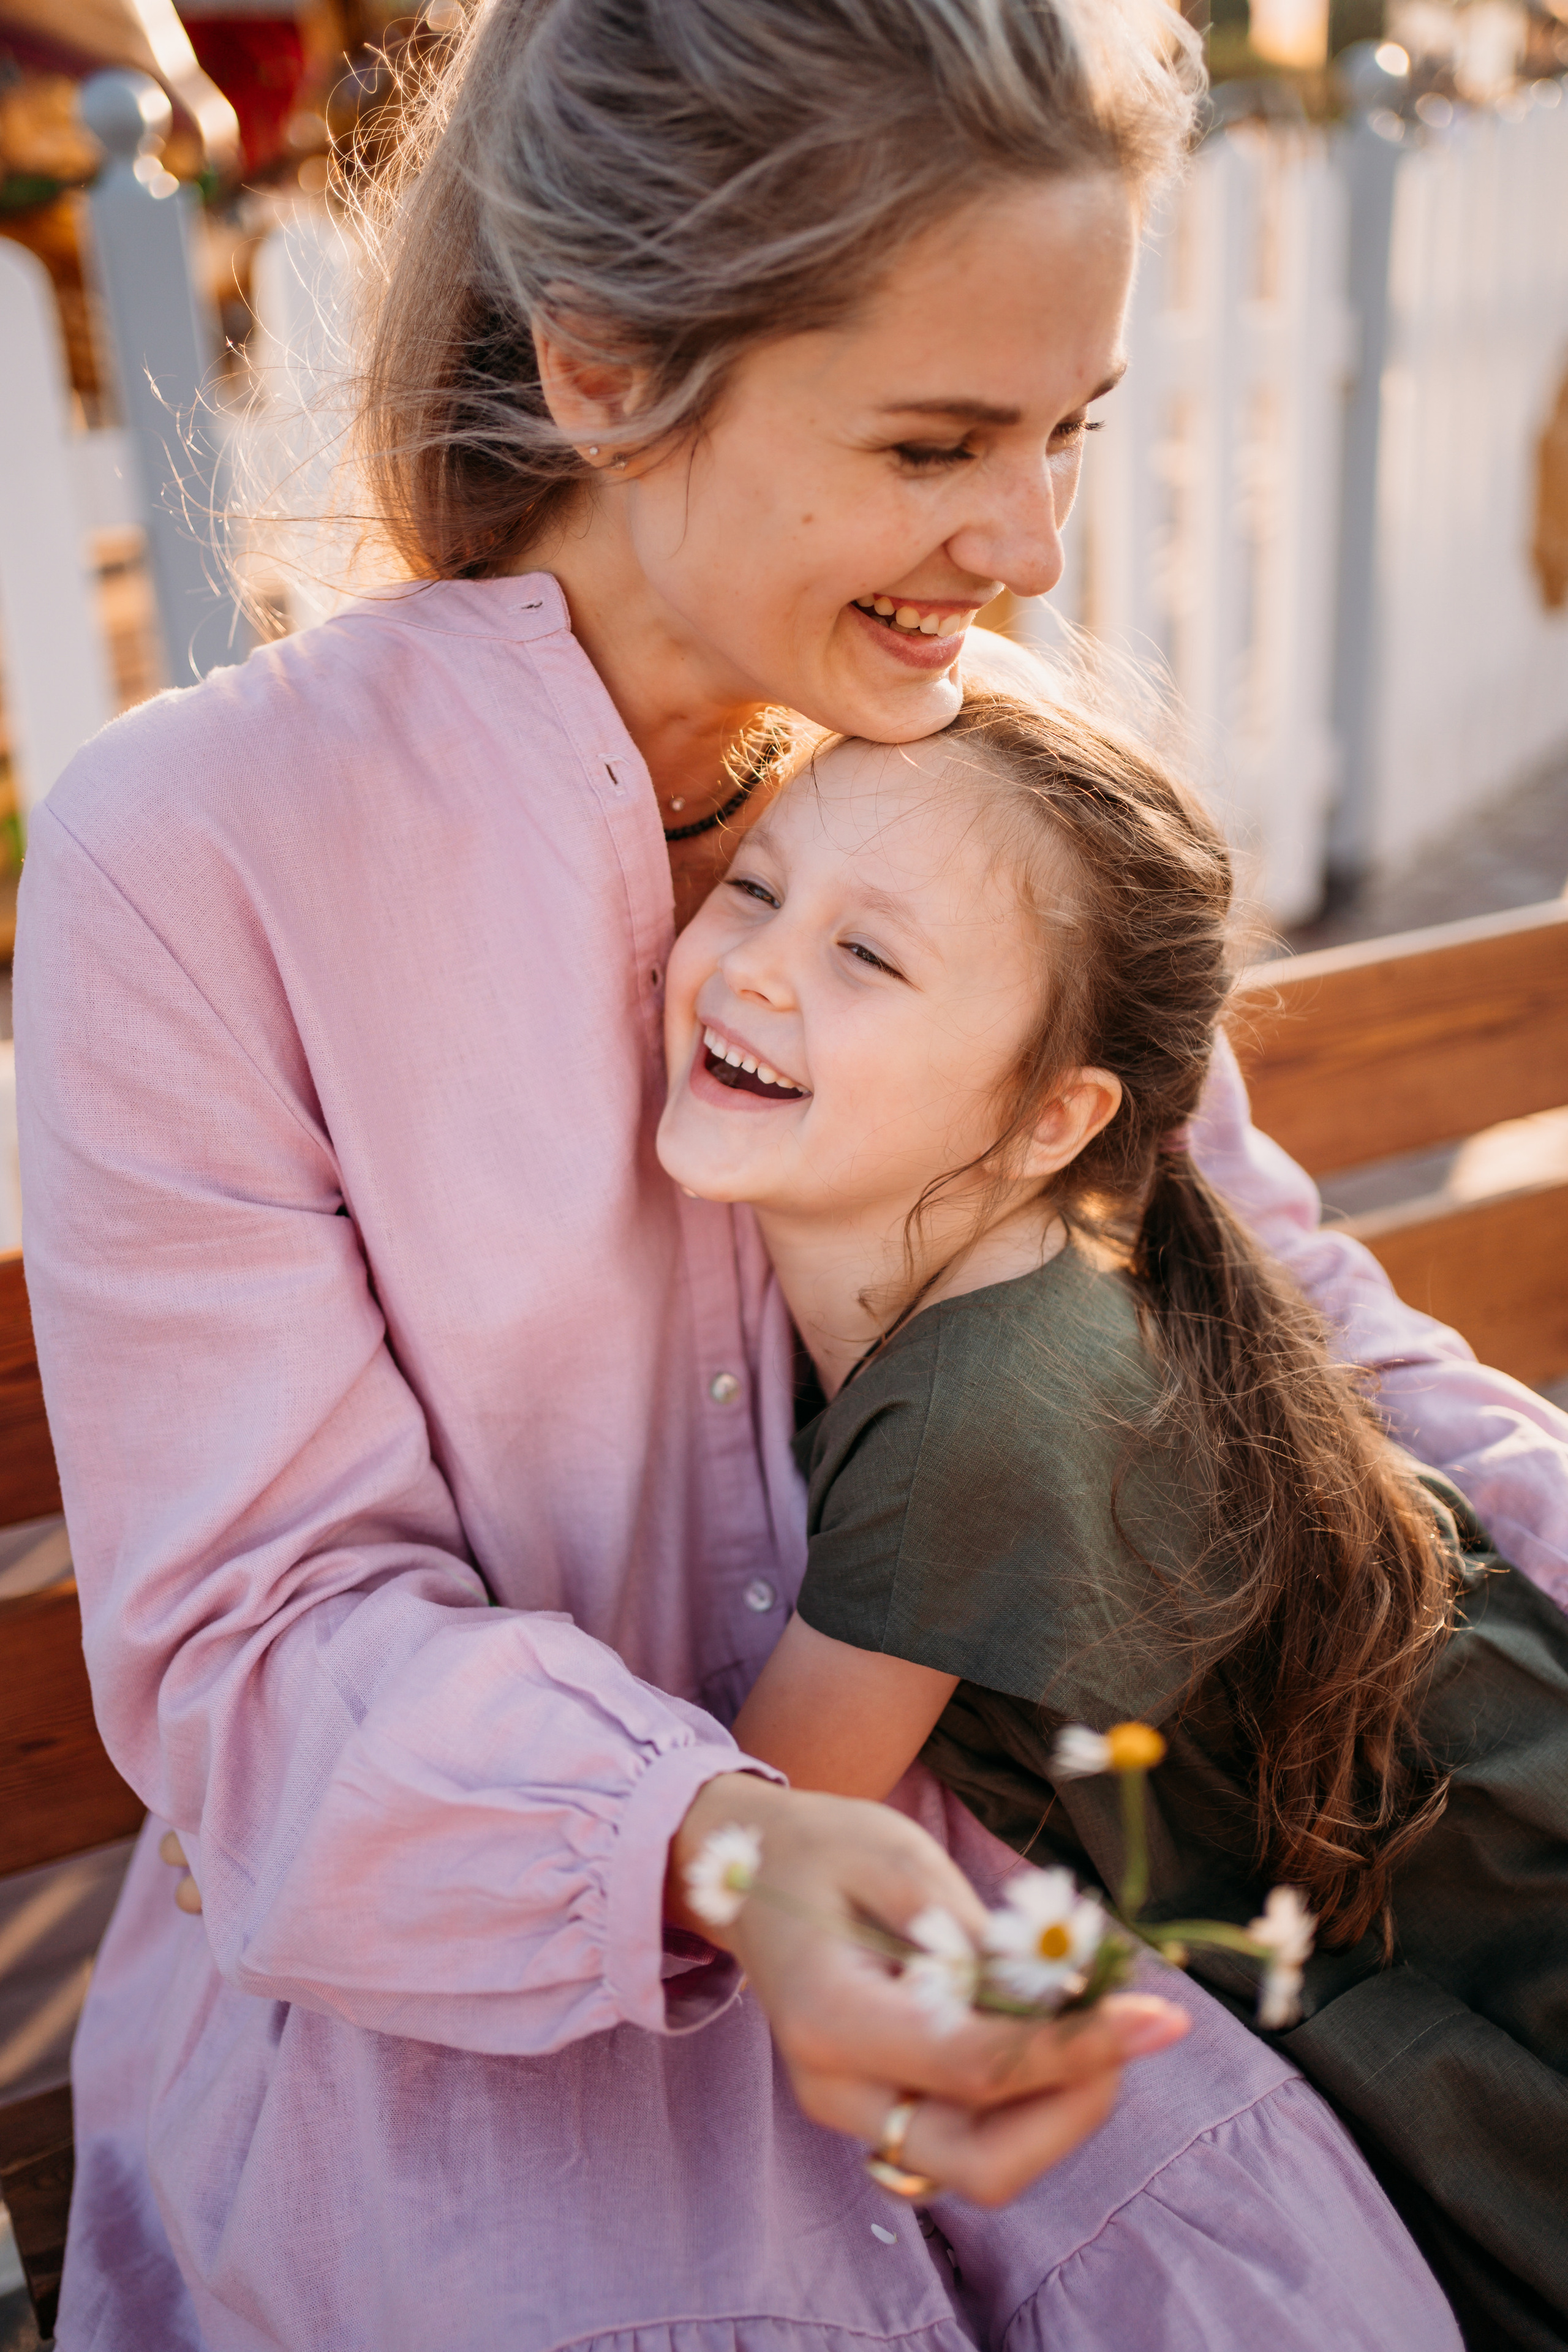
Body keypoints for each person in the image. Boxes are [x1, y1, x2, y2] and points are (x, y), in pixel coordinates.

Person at [12, 2, 1563, 2345]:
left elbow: (1277, 1306)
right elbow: (260, 1642)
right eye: (941, 439)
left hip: (1066, 1957)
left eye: (1067, 435)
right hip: (472, 2058)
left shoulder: (983, 758)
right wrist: (714, 1844)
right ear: (613, 366)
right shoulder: (201, 856)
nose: (1030, 545)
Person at [673, 692, 1567, 2349]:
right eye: (750, 887)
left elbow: (777, 1818)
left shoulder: (972, 1420)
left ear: (1053, 1118)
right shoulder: (1005, 1283)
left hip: (1474, 1914)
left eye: (868, 957)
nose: (757, 968)